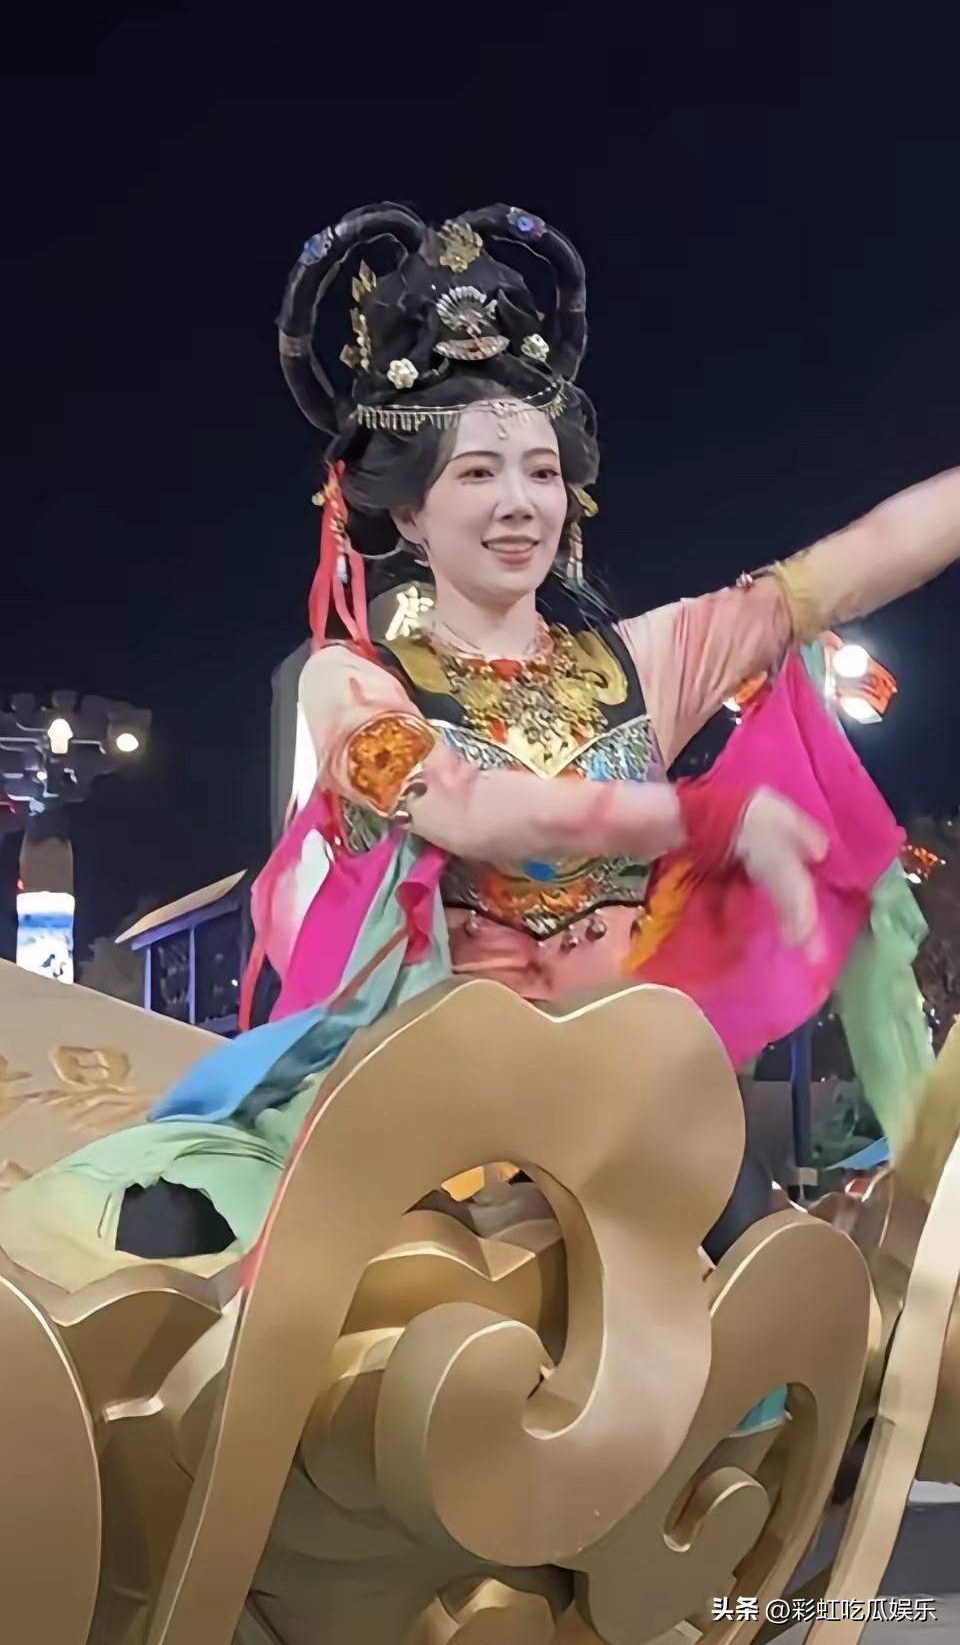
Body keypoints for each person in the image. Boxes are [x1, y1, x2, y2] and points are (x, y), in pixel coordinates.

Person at [1, 202, 957, 1301]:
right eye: (476, 475)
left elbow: (853, 565)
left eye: (540, 472)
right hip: (428, 1115)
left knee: (789, 1309)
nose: (518, 505)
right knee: (211, 1259)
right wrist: (703, 815)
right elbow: (461, 808)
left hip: (627, 1099)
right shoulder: (354, 682)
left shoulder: (641, 663)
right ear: (408, 516)